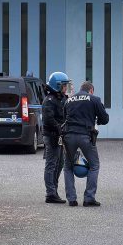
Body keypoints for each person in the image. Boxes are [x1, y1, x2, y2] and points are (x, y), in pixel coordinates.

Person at [62, 81, 109, 207]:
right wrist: (96, 120)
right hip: (86, 136)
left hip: (69, 136)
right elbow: (105, 119)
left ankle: (71, 199)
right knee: (94, 165)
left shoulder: (69, 100)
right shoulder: (94, 99)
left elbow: (64, 118)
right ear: (91, 90)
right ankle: (89, 198)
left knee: (68, 166)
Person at [42, 72, 70, 204]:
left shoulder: (61, 98)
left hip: (59, 136)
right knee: (51, 164)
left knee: (60, 164)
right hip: (52, 136)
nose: (66, 87)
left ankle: (54, 190)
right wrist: (59, 128)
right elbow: (49, 119)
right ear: (58, 86)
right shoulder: (49, 100)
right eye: (64, 85)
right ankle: (50, 193)